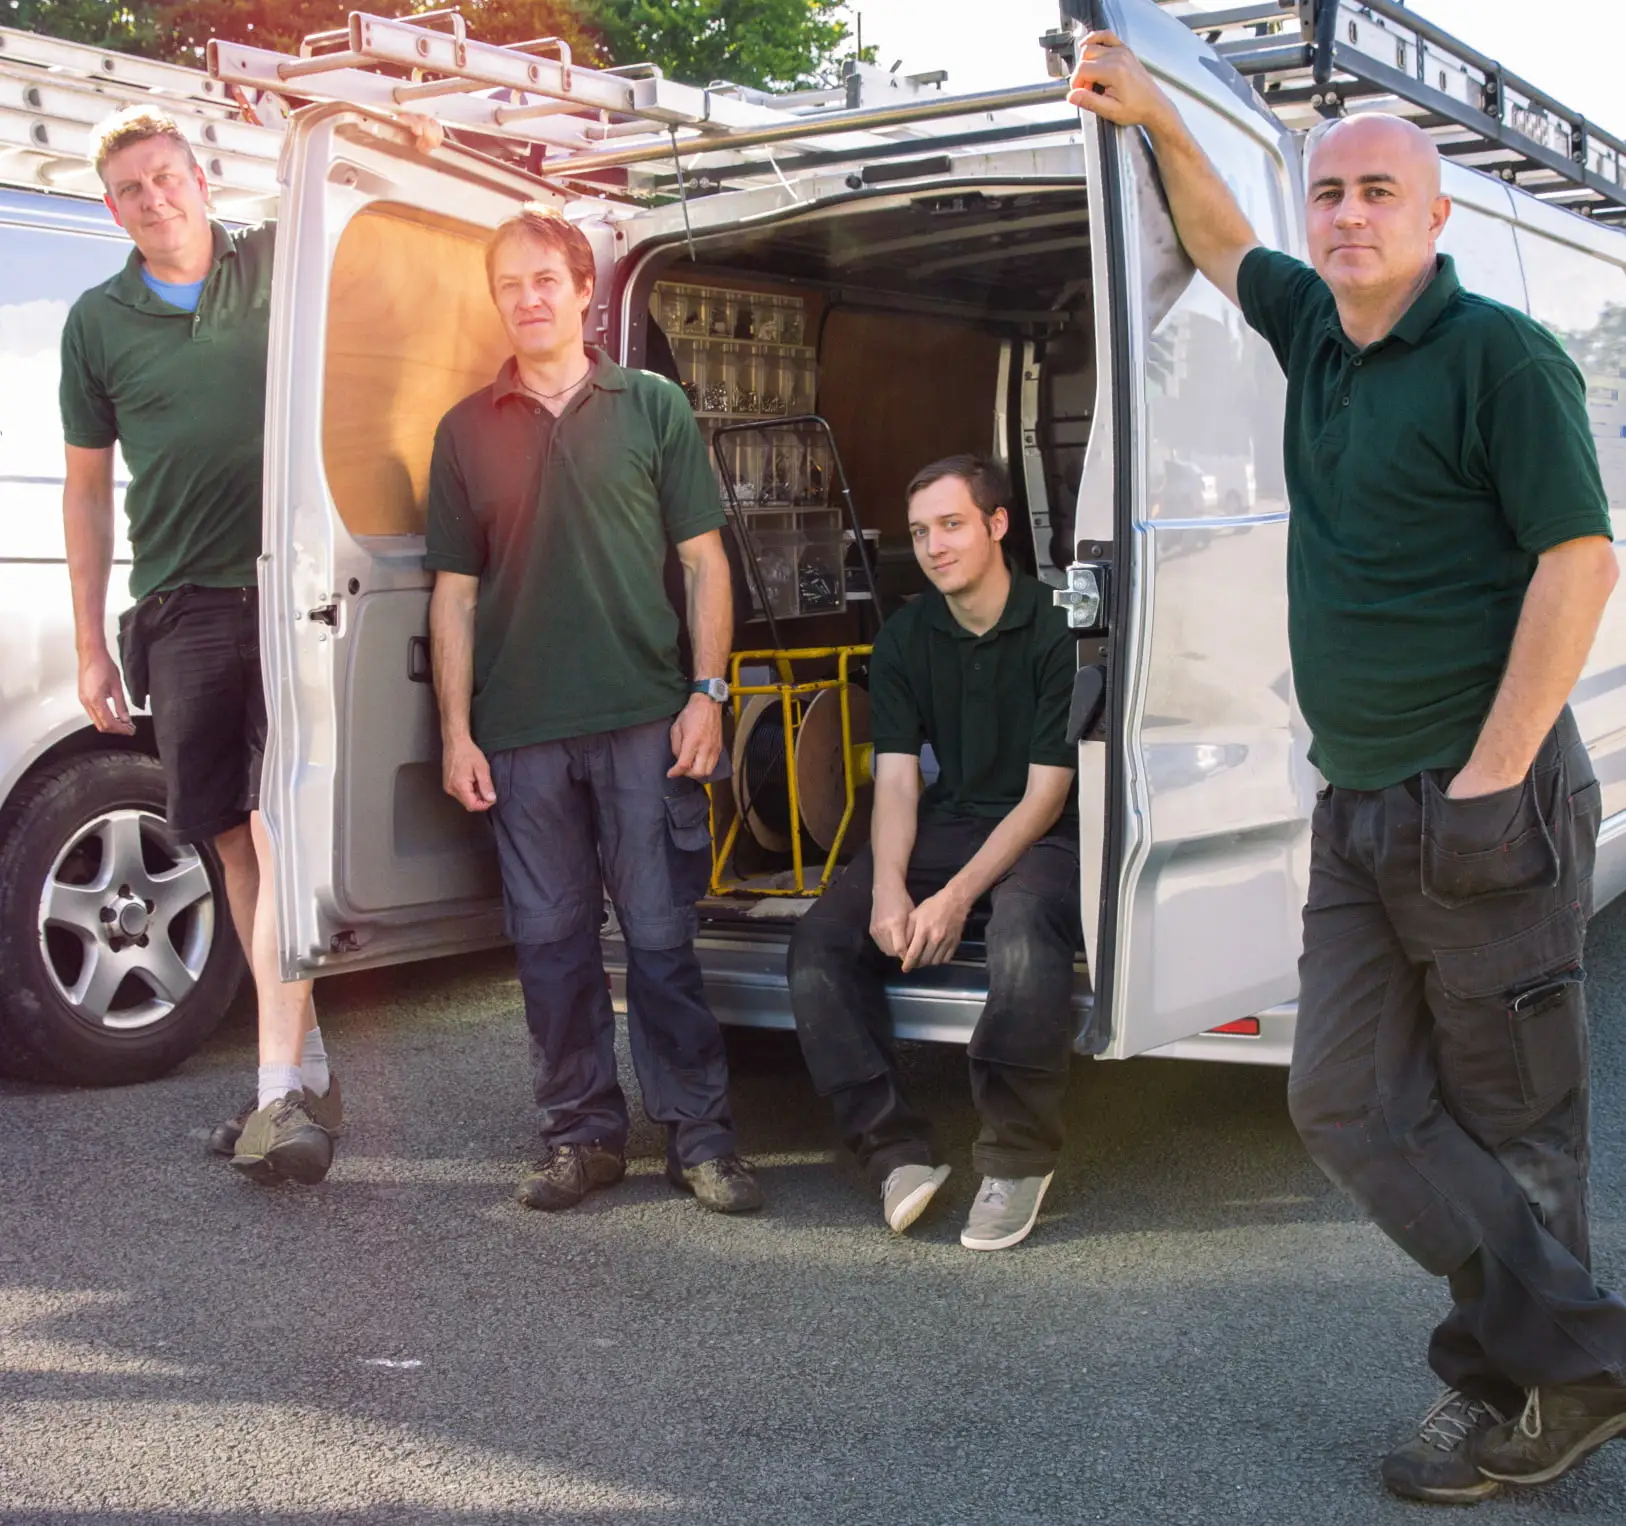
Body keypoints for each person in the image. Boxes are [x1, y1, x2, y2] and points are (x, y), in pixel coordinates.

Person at [1070, 32, 1626, 1502]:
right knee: (1340, 1099)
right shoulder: (1315, 328)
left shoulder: (1500, 358)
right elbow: (1218, 239)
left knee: (1516, 1121)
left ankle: (1519, 1392)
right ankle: (1585, 1353)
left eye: (1379, 192)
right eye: (1329, 194)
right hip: (1359, 804)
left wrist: (1491, 780)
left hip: (1484, 799)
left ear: (1434, 215)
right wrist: (1157, 115)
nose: (1348, 215)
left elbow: (1579, 562)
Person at [61, 106, 439, 1186]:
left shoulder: (274, 261)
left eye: (167, 175)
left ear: (200, 177)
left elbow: (370, 220)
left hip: (287, 592)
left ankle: (276, 1095)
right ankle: (304, 1072)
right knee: (230, 839)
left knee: (279, 833)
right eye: (132, 189)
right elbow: (86, 493)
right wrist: (91, 643)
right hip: (180, 606)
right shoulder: (97, 322)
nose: (155, 198)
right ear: (114, 211)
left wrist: (386, 127)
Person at [426, 204, 762, 1215]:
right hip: (520, 735)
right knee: (551, 950)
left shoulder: (652, 405)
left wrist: (708, 693)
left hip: (645, 720)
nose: (527, 299)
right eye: (510, 285)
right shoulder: (464, 429)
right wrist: (456, 732)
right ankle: (580, 1138)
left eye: (545, 280)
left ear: (584, 291)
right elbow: (453, 594)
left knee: (660, 942)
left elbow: (704, 564)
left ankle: (700, 1141)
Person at [788, 455, 1082, 1251]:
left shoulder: (1057, 627)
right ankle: (895, 1154)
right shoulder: (905, 637)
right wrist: (889, 885)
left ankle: (1017, 1160)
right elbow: (894, 781)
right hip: (949, 821)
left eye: (952, 525)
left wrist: (954, 898)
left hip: (1045, 831)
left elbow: (1045, 796)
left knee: (1022, 935)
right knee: (819, 946)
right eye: (920, 532)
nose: (934, 546)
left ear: (997, 524)